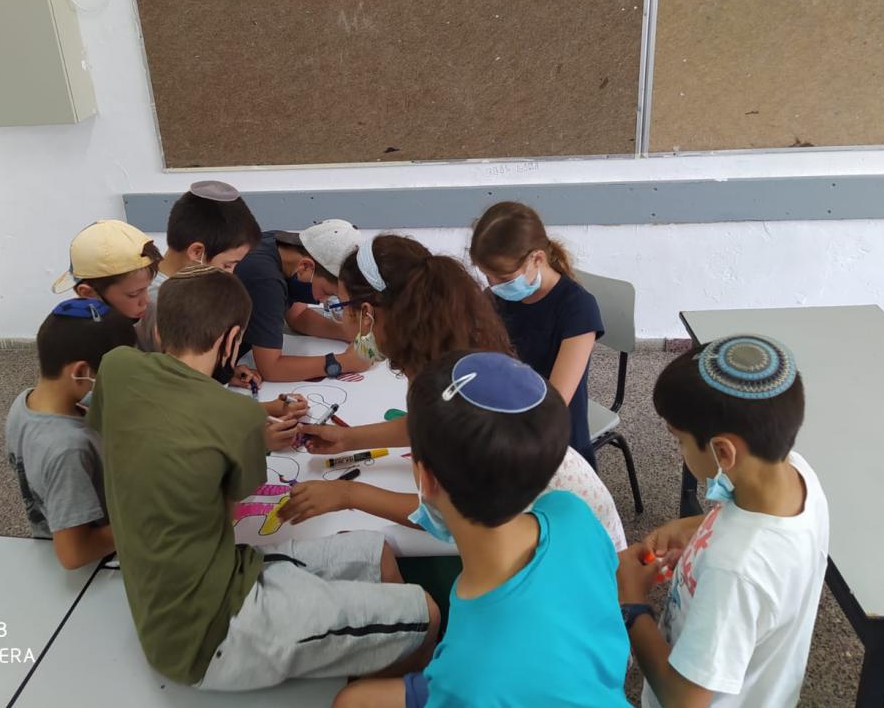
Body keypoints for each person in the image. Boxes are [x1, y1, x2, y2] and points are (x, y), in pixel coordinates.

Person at [87, 265, 439, 690]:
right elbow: (231, 505)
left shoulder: (117, 367)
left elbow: (167, 415)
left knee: (377, 555)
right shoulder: (235, 418)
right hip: (211, 636)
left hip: (214, 576)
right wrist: (249, 434)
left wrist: (252, 423)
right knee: (426, 614)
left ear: (159, 330)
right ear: (233, 341)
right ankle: (363, 697)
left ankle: (362, 664)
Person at [282, 235, 626, 551]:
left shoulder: (444, 381)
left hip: (575, 546)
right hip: (562, 513)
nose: (339, 318)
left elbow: (445, 517)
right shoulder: (441, 348)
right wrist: (349, 439)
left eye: (339, 306)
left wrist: (347, 493)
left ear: (368, 315)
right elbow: (428, 426)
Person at [334, 351, 630, 708]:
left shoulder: (470, 679)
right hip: (570, 676)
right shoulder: (571, 510)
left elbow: (472, 682)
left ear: (425, 478)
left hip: (493, 680)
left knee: (349, 700)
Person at [616, 335, 829, 707]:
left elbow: (684, 700)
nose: (679, 451)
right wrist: (697, 527)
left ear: (722, 452)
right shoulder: (795, 472)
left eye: (679, 441)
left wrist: (631, 604)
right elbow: (758, 535)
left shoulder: (734, 570)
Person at [470, 201, 604, 467]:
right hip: (504, 422)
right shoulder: (496, 297)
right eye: (487, 277)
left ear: (537, 259)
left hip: (552, 439)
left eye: (503, 278)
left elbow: (554, 403)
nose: (493, 286)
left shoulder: (578, 308)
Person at [4, 298, 136, 569]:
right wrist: (145, 521)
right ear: (82, 372)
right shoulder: (68, 448)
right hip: (98, 565)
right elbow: (74, 554)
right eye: (117, 375)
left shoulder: (26, 402)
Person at [133, 179, 262, 356]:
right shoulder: (162, 303)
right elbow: (184, 366)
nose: (231, 274)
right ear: (197, 252)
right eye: (227, 265)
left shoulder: (175, 288)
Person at [234, 219, 371, 381]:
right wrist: (344, 362)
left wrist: (345, 332)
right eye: (326, 292)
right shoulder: (265, 280)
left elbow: (298, 316)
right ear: (305, 266)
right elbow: (271, 369)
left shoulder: (286, 250)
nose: (323, 300)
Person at [51, 220, 161, 325]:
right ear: (88, 293)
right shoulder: (80, 335)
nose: (146, 301)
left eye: (147, 287)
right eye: (133, 294)